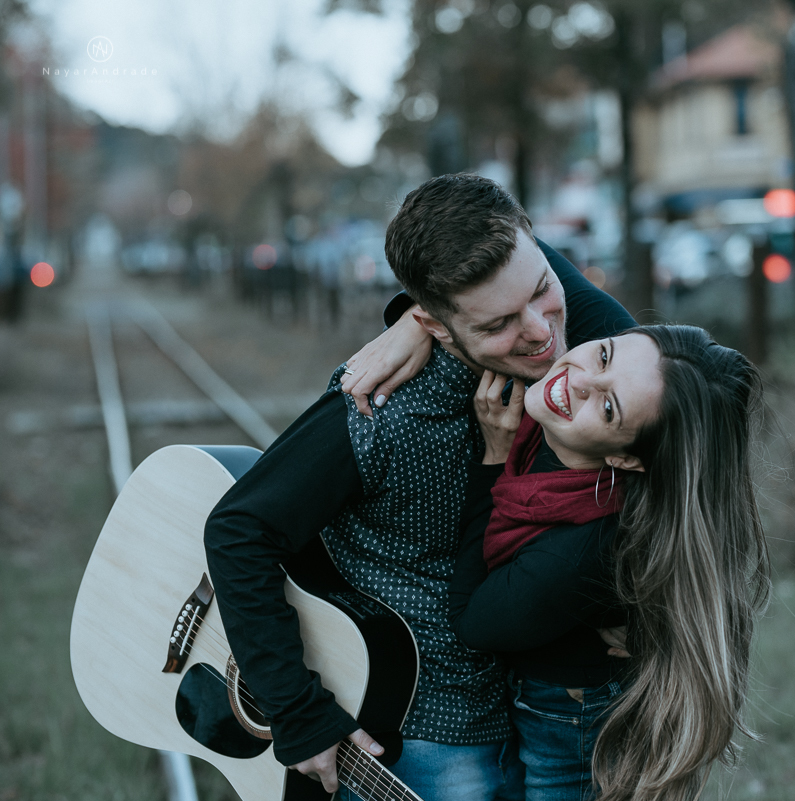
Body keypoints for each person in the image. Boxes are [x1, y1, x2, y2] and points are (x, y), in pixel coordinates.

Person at [204, 173, 635, 801]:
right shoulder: (382, 409)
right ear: (438, 325)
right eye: (498, 324)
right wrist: (296, 711)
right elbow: (239, 528)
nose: (542, 333)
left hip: (545, 719)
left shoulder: (583, 371)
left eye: (543, 288)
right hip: (430, 735)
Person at [446, 325, 771, 801]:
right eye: (603, 356)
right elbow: (519, 278)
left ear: (626, 458)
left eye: (608, 408)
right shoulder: (618, 368)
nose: (578, 382)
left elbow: (471, 621)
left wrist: (495, 457)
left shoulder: (577, 553)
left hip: (567, 726)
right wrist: (411, 323)